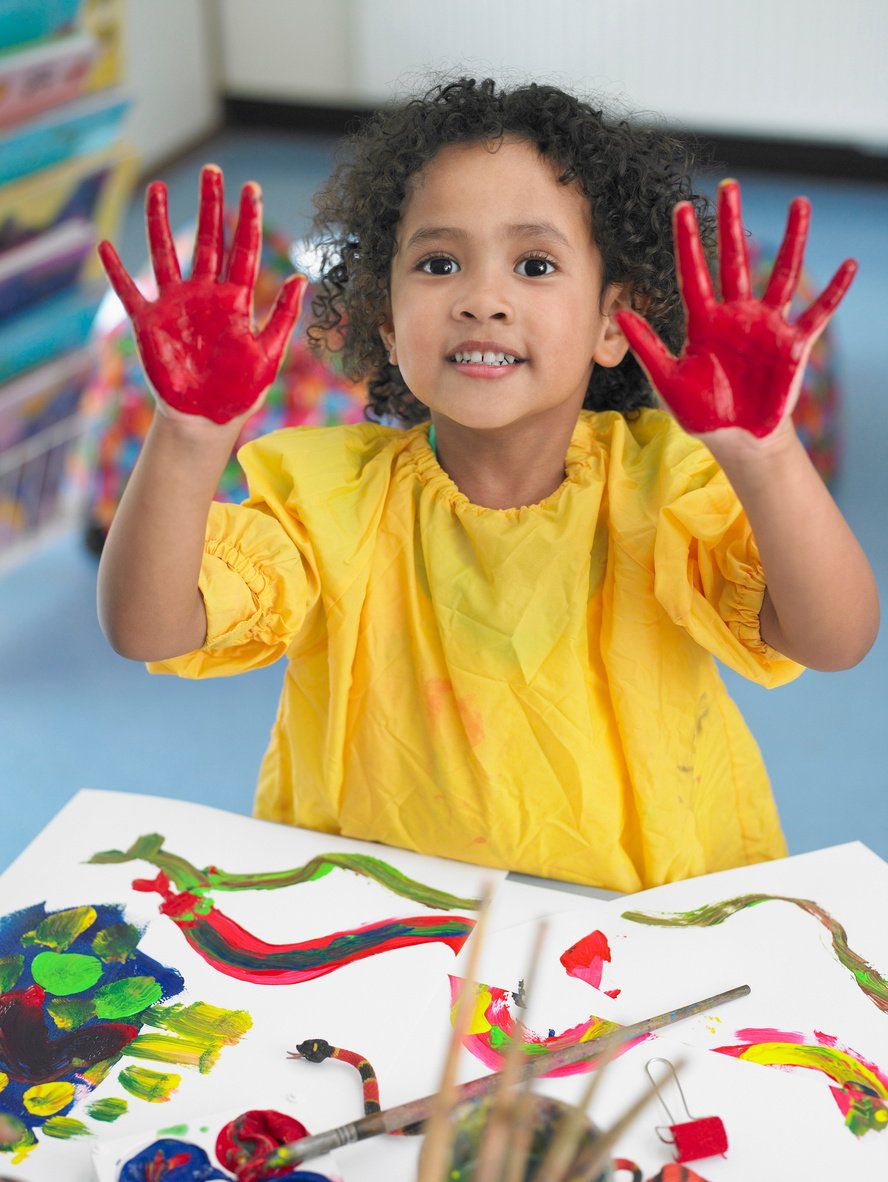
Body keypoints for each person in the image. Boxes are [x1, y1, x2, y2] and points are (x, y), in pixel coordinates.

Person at [96, 78, 879, 893]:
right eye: (439, 263)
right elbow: (148, 629)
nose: (482, 300)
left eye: (535, 264)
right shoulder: (327, 499)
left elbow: (836, 638)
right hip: (380, 923)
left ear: (615, 322)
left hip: (632, 923)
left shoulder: (665, 488)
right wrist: (188, 437)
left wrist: (766, 451)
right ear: (389, 324)